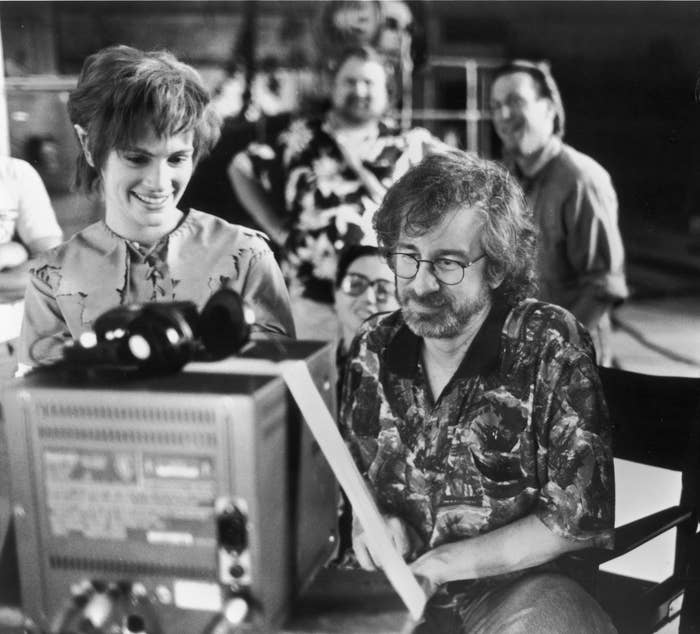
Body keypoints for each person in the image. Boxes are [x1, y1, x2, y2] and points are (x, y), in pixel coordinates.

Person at [339, 151, 616, 633]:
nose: (421, 283)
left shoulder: (549, 344)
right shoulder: (374, 345)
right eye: (407, 257)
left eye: (448, 262)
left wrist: (440, 566)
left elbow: (575, 518)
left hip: (515, 592)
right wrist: (373, 523)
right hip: (392, 589)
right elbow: (353, 469)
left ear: (498, 268)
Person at [18, 45, 294, 368]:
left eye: (177, 158)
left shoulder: (246, 258)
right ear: (89, 145)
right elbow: (39, 405)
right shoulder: (52, 279)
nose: (159, 182)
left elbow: (279, 392)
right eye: (137, 158)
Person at [230, 45, 444, 340]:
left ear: (387, 91)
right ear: (334, 86)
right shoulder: (300, 137)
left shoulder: (408, 145)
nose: (359, 89)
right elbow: (241, 167)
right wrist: (277, 230)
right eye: (350, 81)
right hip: (312, 297)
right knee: (312, 381)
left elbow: (463, 177)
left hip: (381, 297)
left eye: (369, 82)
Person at [490, 60, 628, 366]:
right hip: (523, 357)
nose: (504, 116)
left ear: (549, 108)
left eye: (515, 101)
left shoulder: (581, 181)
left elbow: (602, 287)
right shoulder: (507, 181)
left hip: (570, 362)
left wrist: (553, 350)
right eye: (496, 105)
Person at [0, 157, 63, 377]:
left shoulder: (14, 174)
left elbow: (52, 270)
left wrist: (13, 251)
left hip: (8, 349)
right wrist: (14, 252)